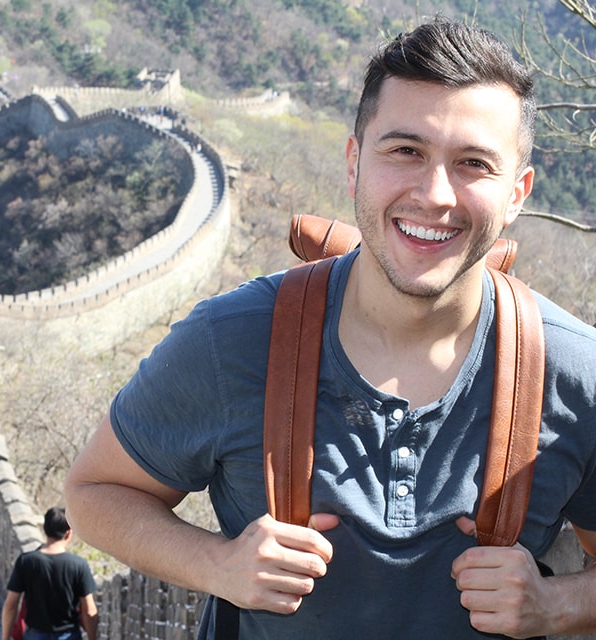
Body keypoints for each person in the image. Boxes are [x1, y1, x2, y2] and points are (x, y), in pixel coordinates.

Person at [64, 19, 596, 640]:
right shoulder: (234, 341)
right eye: (406, 151)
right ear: (354, 164)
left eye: (473, 164)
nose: (434, 194)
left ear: (517, 193)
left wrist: (555, 606)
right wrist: (219, 564)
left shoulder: (572, 374)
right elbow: (95, 491)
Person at [0, 507, 99, 640]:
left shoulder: (26, 561)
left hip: (34, 635)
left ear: (44, 530)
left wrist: (5, 637)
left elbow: (11, 605)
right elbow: (89, 610)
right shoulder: (79, 565)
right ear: (68, 533)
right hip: (68, 635)